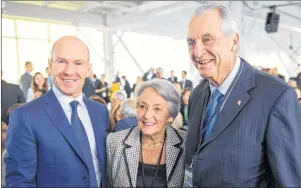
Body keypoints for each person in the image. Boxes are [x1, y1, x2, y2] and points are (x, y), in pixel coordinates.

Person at [184, 3, 301, 187]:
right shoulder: (197, 94)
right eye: (191, 42)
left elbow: (288, 182)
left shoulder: (276, 97)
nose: (197, 52)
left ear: (234, 41)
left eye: (207, 39)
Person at [5, 36, 109, 187]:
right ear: (50, 65)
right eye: (62, 61)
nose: (69, 71)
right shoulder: (25, 116)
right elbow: (19, 182)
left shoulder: (100, 112)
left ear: (88, 69)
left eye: (78, 63)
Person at [106, 79, 186, 187]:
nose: (147, 115)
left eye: (157, 108)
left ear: (170, 116)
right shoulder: (115, 142)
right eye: (142, 106)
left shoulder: (187, 144)